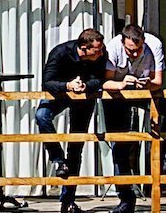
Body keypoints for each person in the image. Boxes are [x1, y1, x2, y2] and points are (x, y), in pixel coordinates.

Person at [103, 23, 166, 213]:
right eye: (130, 50)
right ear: (122, 42)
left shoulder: (154, 44)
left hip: (144, 92)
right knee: (120, 146)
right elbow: (106, 82)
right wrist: (122, 83)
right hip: (118, 95)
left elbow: (158, 81)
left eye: (138, 49)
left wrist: (148, 84)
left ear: (144, 42)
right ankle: (125, 199)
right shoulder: (113, 46)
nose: (134, 54)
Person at [35, 29, 106, 213]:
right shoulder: (60, 52)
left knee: (76, 146)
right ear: (84, 48)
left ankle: (68, 201)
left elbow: (100, 79)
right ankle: (58, 160)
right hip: (60, 94)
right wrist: (67, 86)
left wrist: (85, 86)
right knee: (42, 116)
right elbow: (47, 81)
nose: (101, 52)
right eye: (97, 50)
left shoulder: (100, 57)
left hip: (84, 98)